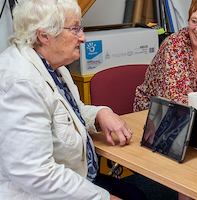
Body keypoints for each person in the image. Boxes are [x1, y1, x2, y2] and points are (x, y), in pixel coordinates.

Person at [0, 0, 146, 199]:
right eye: (75, 29)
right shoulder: (21, 83)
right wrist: (103, 198)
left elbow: (69, 112)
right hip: (39, 192)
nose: (83, 38)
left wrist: (100, 114)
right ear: (44, 36)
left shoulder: (53, 65)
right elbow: (36, 174)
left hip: (78, 175)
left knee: (137, 194)